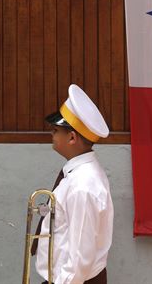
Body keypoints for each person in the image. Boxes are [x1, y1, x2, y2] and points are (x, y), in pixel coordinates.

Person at [34, 84, 114, 284]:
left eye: (55, 130)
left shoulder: (82, 185)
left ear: (71, 137)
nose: (52, 135)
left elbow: (80, 256)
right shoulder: (77, 175)